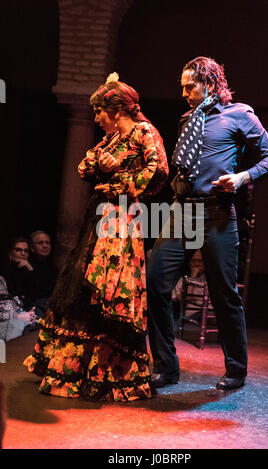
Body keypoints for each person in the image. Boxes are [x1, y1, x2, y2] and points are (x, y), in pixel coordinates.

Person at [23, 73, 169, 401]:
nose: (96, 119)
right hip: (99, 218)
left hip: (122, 221)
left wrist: (120, 181)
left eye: (100, 112)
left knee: (110, 292)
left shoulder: (143, 131)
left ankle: (109, 372)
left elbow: (158, 170)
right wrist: (103, 167)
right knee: (84, 289)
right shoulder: (111, 138)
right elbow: (84, 167)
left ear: (115, 110)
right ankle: (75, 368)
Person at [147, 56, 268, 390]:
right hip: (182, 211)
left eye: (189, 86)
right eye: (182, 87)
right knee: (155, 283)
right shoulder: (187, 119)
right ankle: (167, 365)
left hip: (217, 212)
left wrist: (242, 177)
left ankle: (236, 369)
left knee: (224, 294)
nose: (184, 93)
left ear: (209, 82)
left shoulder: (239, 114)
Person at [28, 231, 57, 318]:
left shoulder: (53, 268)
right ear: (32, 248)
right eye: (40, 243)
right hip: (33, 308)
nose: (45, 245)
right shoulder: (27, 267)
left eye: (47, 242)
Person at [0, 236, 34, 309]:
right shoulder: (4, 269)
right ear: (10, 252)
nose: (23, 253)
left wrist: (30, 269)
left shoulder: (28, 268)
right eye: (18, 250)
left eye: (26, 250)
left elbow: (34, 295)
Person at [0, 275, 36, 341]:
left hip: (17, 316)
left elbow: (8, 297)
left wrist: (27, 315)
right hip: (8, 325)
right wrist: (18, 316)